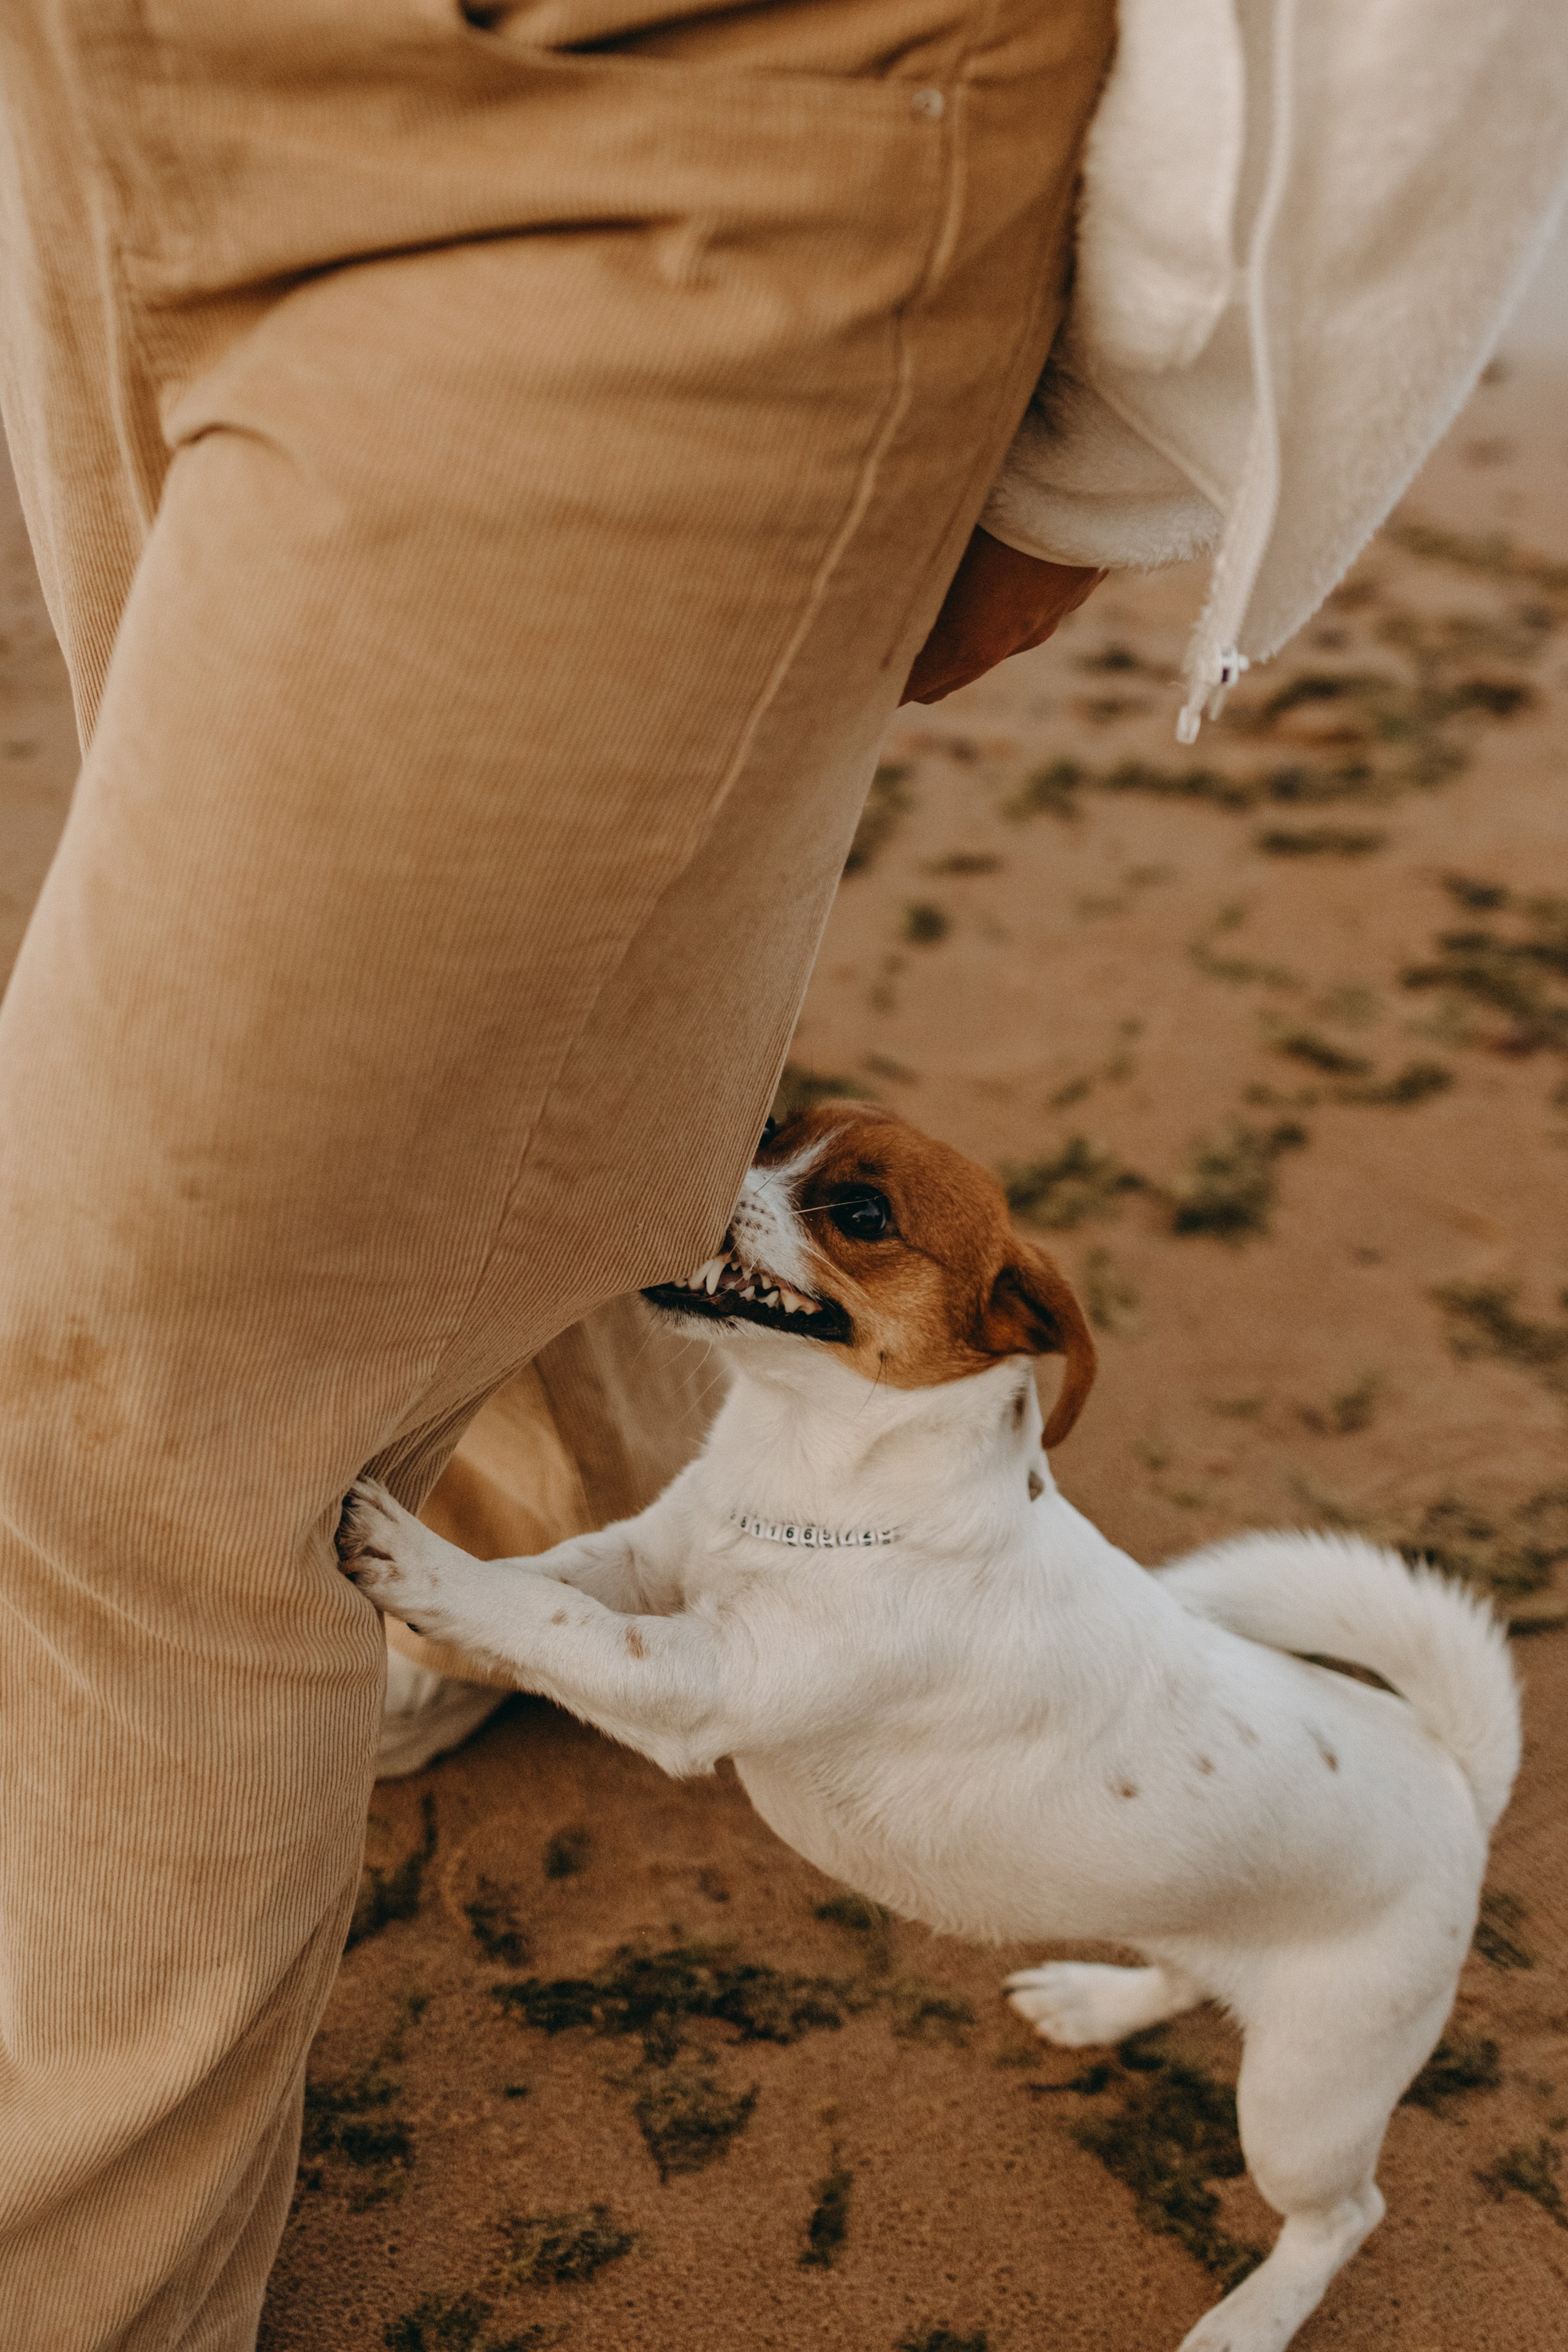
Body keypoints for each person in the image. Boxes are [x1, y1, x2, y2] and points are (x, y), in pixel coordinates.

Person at [0, 4, 1561, 2345]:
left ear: (1011, 1345)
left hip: (740, 104)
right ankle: (496, 1584)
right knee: (399, 1101)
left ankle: (1312, 2243)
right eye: (805, 1186)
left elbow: (706, 1689)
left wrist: (1128, 451)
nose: (766, 1214)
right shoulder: (825, 1469)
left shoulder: (919, 1573)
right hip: (133, 86)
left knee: (144, 1369)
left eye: (845, 1225)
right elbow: (694, 1578)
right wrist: (548, 1588)